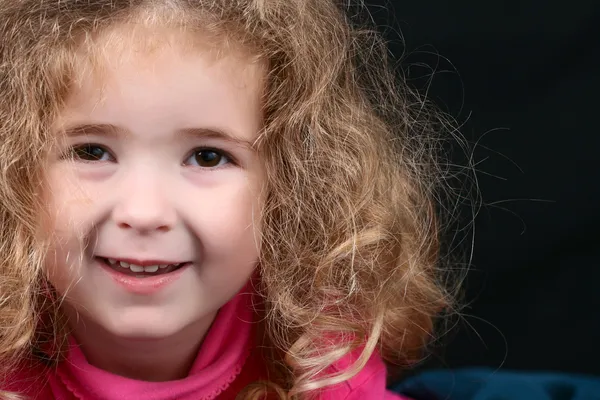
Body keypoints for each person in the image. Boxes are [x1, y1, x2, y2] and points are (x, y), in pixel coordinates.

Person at [0, 1, 455, 398]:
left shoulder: (318, 354)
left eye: (207, 156)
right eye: (91, 151)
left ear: (293, 186)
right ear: (14, 168)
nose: (143, 213)